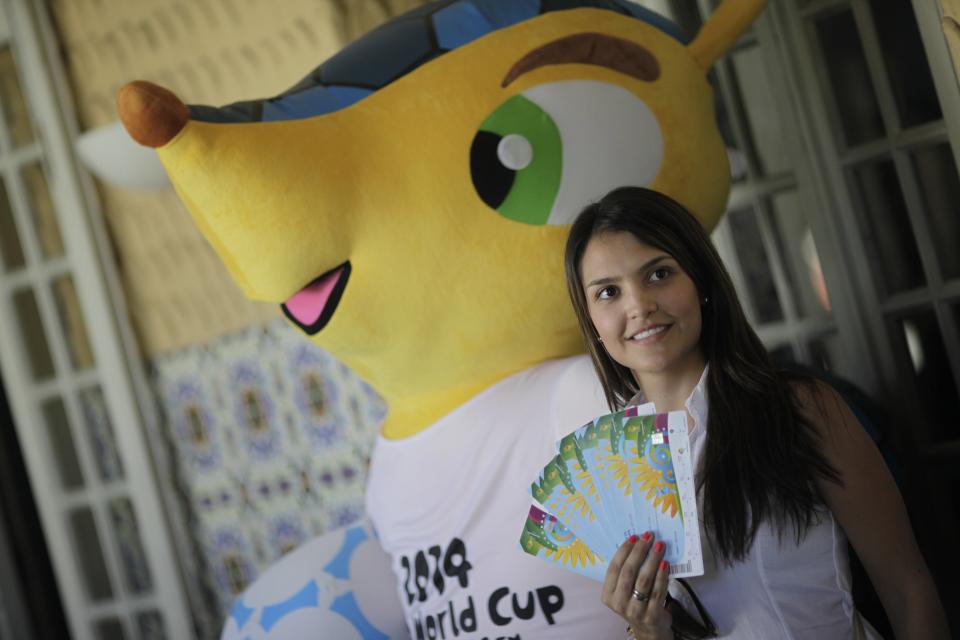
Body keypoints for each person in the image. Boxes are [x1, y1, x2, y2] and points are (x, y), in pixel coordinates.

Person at [562, 186, 949, 640]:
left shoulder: (801, 409)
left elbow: (908, 588)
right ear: (591, 320)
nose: (639, 306)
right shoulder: (613, 464)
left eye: (659, 274)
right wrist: (647, 627)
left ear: (701, 282)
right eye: (608, 291)